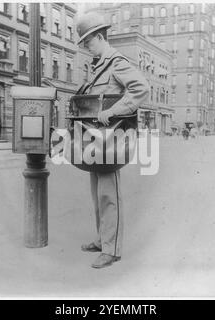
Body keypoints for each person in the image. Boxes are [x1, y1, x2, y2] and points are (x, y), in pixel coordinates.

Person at [76, 12, 150, 268]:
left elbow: (141, 88)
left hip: (112, 139)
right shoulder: (99, 66)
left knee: (109, 194)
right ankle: (102, 239)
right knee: (97, 193)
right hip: (96, 140)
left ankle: (112, 249)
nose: (86, 48)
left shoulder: (116, 62)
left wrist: (113, 111)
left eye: (88, 42)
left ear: (99, 36)